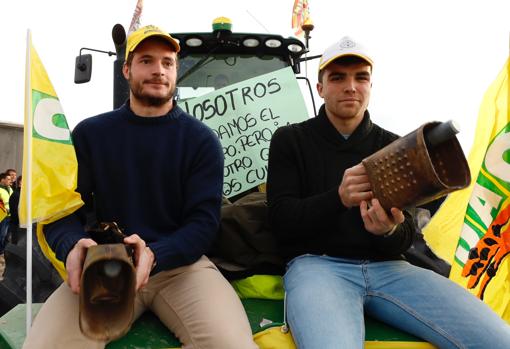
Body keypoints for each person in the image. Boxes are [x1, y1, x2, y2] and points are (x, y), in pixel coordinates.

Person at [266, 36, 510, 349]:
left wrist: (389, 231)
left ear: (370, 86)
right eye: (338, 77)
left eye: (361, 77)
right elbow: (280, 221)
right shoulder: (290, 139)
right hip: (317, 267)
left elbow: (411, 233)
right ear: (320, 88)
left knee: (499, 340)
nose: (350, 86)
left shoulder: (397, 146)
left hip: (392, 269)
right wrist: (337, 199)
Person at [23, 25, 257, 349]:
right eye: (146, 60)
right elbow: (62, 209)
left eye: (167, 62)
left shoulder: (201, 142)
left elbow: (203, 224)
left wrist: (154, 254)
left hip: (180, 268)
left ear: (176, 71)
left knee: (232, 345)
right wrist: (71, 245)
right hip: (102, 264)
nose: (158, 70)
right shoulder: (90, 135)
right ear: (127, 69)